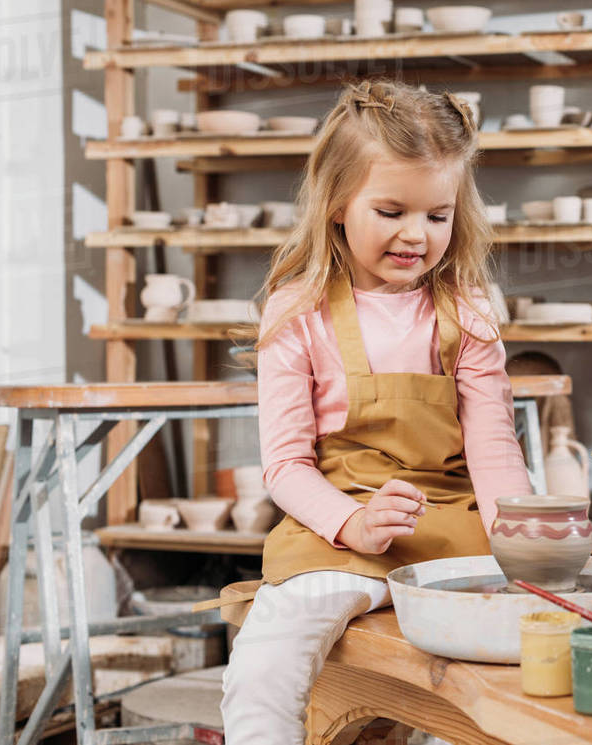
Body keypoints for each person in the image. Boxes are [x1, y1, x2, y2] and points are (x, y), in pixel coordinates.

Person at [221, 80, 531, 745]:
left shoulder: (467, 311)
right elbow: (285, 464)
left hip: (452, 533)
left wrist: (526, 550)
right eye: (391, 210)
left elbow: (495, 452)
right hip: (335, 533)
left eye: (437, 215)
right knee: (266, 658)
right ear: (338, 203)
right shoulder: (297, 310)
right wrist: (352, 522)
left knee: (503, 682)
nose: (416, 235)